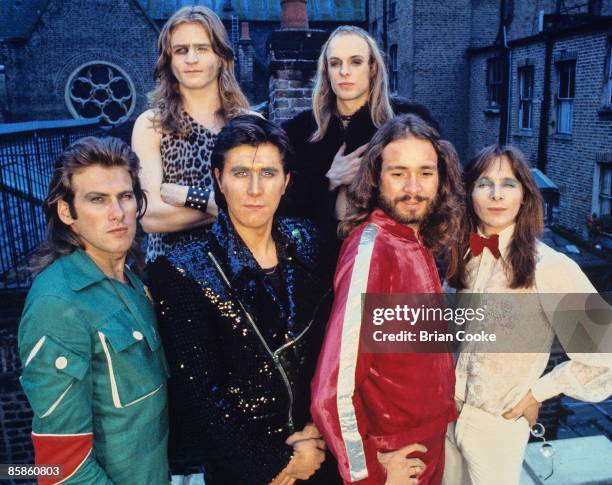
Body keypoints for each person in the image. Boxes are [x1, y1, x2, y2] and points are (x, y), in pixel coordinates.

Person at [147, 115, 340, 484]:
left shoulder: (312, 242)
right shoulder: (182, 270)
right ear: (219, 179)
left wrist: (321, 428)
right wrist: (275, 463)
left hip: (322, 454)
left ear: (286, 182)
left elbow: (335, 349)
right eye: (240, 174)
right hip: (247, 472)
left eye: (268, 173)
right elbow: (200, 398)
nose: (255, 189)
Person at [311, 113, 465, 484]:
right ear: (376, 177)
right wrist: (371, 469)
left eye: (426, 173)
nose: (413, 187)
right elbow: (331, 392)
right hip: (395, 455)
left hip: (428, 442)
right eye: (398, 173)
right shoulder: (373, 250)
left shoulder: (415, 239)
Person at [445, 144, 612, 485]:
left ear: (524, 196)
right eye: (484, 183)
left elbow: (605, 350)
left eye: (508, 183)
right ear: (469, 194)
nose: (496, 194)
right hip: (446, 418)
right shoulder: (461, 256)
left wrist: (539, 393)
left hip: (497, 426)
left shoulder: (549, 266)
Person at [18, 137, 169, 484]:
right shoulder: (56, 305)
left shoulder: (133, 281)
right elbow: (60, 467)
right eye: (97, 200)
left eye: (125, 197)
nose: (117, 213)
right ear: (67, 212)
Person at [282, 25, 437, 250]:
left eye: (355, 62)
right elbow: (283, 202)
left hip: (391, 255)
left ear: (372, 67)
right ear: (326, 70)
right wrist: (329, 179)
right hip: (316, 261)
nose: (345, 71)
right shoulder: (298, 131)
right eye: (335, 63)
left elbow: (436, 192)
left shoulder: (409, 122)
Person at [132, 5, 250, 263]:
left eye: (202, 48)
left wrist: (189, 196)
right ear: (169, 60)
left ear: (221, 57)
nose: (191, 59)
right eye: (181, 50)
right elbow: (151, 217)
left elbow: (266, 207)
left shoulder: (249, 124)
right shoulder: (152, 125)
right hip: (172, 273)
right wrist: (231, 209)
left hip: (239, 266)